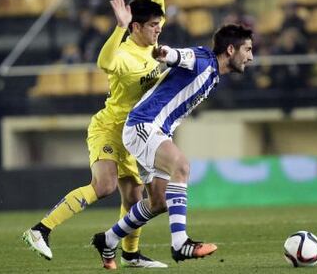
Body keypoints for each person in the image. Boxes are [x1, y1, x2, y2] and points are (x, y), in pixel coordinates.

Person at [23, 0, 168, 269]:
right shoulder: (126, 54)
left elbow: (159, 11)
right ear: (136, 27)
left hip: (133, 133)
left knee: (132, 198)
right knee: (103, 186)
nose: (158, 29)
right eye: (153, 25)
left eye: (159, 24)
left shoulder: (152, 42)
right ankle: (40, 230)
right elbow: (103, 61)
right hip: (110, 128)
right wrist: (119, 26)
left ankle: (131, 255)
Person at [91, 23, 253, 268]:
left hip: (155, 131)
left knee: (159, 202)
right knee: (182, 166)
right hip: (143, 126)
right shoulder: (203, 60)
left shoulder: (213, 74)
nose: (251, 57)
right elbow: (178, 56)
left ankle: (109, 238)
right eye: (248, 49)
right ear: (231, 49)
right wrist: (166, 53)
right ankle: (180, 244)